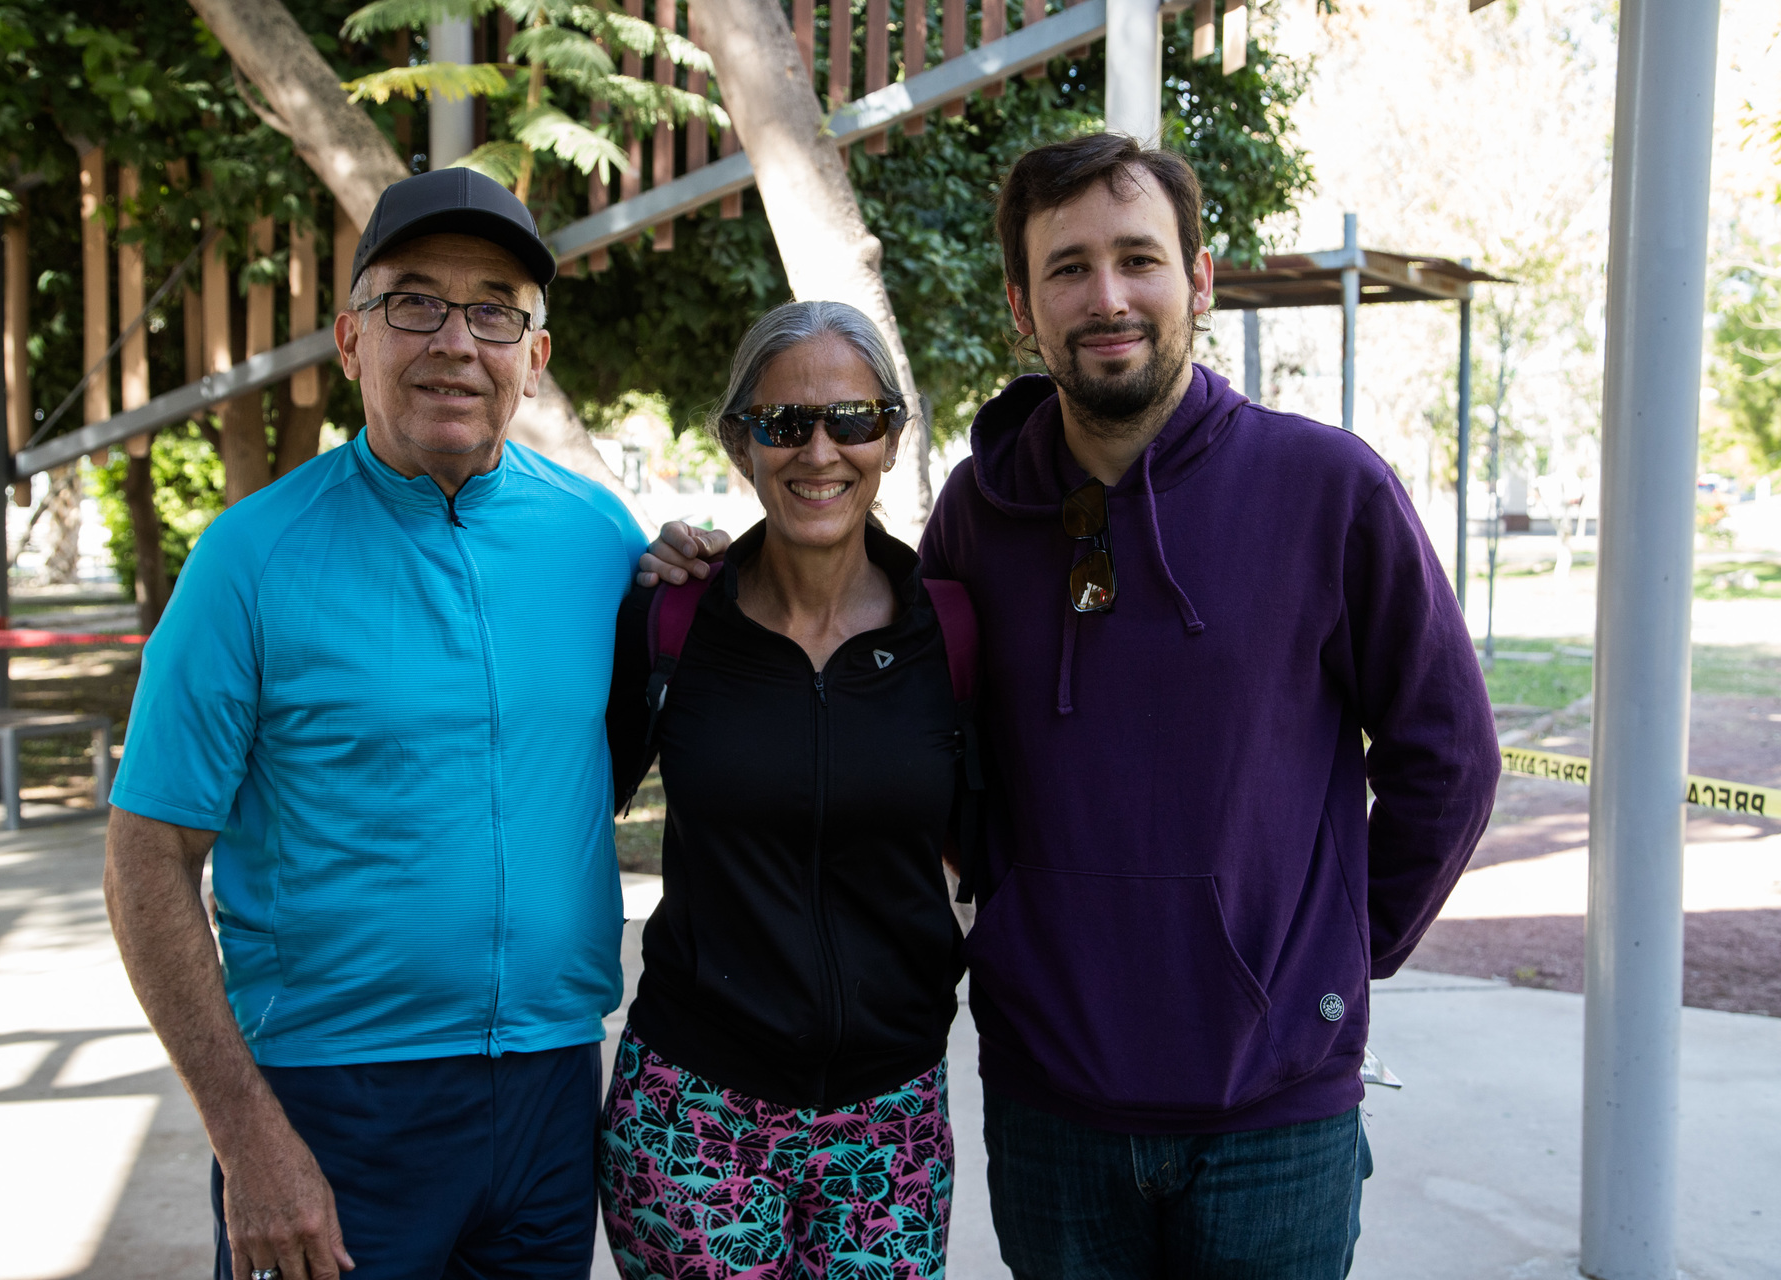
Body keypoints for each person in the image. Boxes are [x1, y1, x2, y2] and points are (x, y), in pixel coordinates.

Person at [645, 134, 1501, 1278]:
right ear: (1020, 306)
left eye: (1138, 259)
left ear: (1199, 279)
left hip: (1274, 1111)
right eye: (1068, 268)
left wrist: (1334, 961)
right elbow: (902, 726)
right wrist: (701, 561)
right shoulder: (977, 514)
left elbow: (1448, 758)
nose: (1108, 298)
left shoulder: (1330, 489)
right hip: (1054, 1103)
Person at [103, 167, 649, 1280]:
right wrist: (247, 1137)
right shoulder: (247, 561)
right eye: (416, 301)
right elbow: (146, 859)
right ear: (351, 339)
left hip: (551, 1092)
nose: (457, 338)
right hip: (330, 1105)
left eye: (495, 307)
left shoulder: (602, 539)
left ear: (534, 356)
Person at [599, 301, 973, 1279]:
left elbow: (999, 846)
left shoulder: (953, 633)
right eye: (782, 423)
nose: (820, 449)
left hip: (890, 1121)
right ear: (740, 442)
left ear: (892, 435)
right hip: (696, 1111)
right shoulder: (672, 614)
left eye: (852, 419)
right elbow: (565, 804)